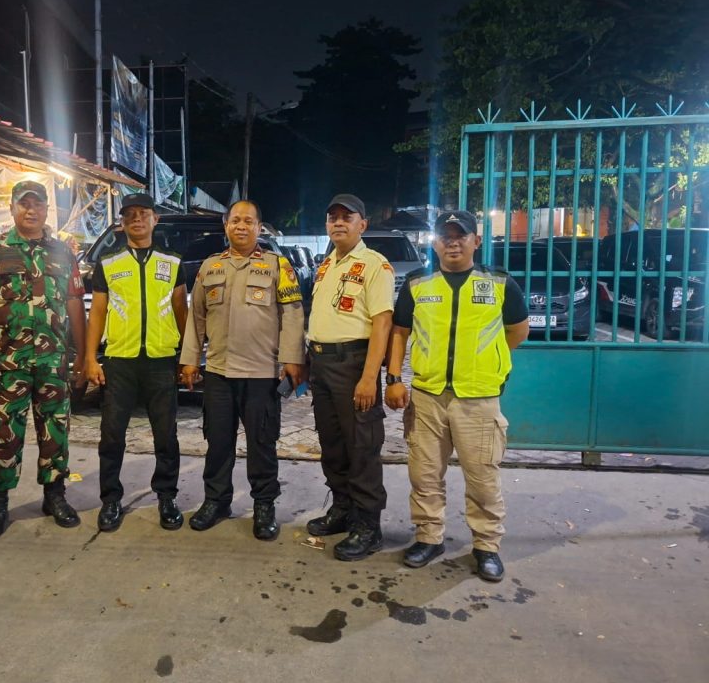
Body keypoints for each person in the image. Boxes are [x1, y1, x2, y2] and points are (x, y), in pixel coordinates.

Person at [384, 210, 529, 582]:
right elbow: (399, 333)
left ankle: (486, 546)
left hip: (478, 397)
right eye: (445, 236)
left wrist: (488, 363)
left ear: (476, 241)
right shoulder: (418, 283)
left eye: (460, 235)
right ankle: (428, 537)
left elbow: (518, 331)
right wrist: (395, 377)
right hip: (428, 396)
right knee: (424, 474)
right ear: (434, 242)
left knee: (482, 478)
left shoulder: (499, 283)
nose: (452, 242)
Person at [0, 180, 87, 538]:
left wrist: (82, 355)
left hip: (53, 362)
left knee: (56, 430)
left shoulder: (64, 252)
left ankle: (55, 496)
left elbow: (76, 305)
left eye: (38, 204)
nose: (31, 210)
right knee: (4, 433)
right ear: (15, 208)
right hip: (8, 362)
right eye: (24, 204)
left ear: (48, 209)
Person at [179, 200, 304, 540]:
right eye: (235, 220)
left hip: (261, 374)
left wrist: (292, 360)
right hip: (219, 372)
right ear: (226, 226)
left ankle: (264, 506)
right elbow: (197, 317)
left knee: (262, 444)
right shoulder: (210, 266)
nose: (241, 226)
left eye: (249, 221)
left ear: (259, 227)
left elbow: (292, 314)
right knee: (217, 442)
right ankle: (216, 501)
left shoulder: (277, 266)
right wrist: (190, 359)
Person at [83, 193, 188, 532]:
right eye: (130, 215)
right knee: (112, 435)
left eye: (144, 214)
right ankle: (110, 500)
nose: (137, 219)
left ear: (155, 219)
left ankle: (167, 497)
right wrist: (90, 358)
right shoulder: (109, 264)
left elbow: (181, 312)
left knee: (166, 436)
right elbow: (97, 313)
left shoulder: (172, 262)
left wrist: (189, 358)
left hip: (161, 362)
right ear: (122, 222)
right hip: (120, 362)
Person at [304, 194, 395, 562]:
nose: (338, 223)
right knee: (334, 445)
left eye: (347, 217)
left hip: (355, 364)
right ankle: (343, 510)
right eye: (332, 217)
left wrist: (369, 377)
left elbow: (382, 322)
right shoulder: (327, 264)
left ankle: (368, 527)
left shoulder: (375, 265)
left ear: (363, 225)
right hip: (323, 366)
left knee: (362, 447)